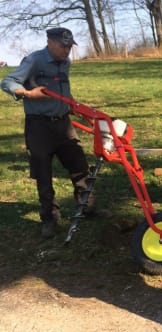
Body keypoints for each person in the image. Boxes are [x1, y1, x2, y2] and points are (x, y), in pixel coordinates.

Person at [1, 27, 95, 239]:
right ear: (50, 42)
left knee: (79, 165)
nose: (67, 50)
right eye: (63, 46)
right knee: (43, 174)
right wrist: (27, 93)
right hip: (39, 127)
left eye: (70, 46)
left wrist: (72, 104)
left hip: (64, 124)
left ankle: (87, 206)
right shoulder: (34, 61)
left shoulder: (66, 62)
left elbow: (63, 89)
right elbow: (7, 82)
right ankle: (50, 219)